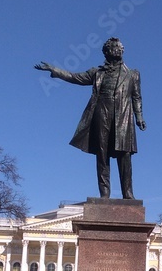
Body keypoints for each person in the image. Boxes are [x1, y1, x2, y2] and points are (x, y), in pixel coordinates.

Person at [35, 37, 147, 199]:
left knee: (125, 155)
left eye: (120, 47)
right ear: (107, 51)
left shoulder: (132, 74)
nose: (118, 49)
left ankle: (128, 194)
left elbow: (136, 97)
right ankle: (104, 194)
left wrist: (139, 117)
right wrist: (55, 70)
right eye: (114, 47)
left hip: (123, 116)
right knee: (102, 154)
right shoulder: (97, 73)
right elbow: (75, 77)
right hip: (101, 113)